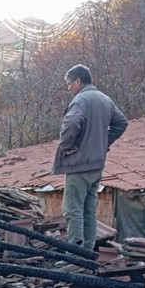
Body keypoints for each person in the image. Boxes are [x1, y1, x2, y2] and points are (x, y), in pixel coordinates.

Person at [53, 64, 129, 250]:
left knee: (73, 209)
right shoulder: (104, 99)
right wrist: (104, 144)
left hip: (79, 164)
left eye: (69, 83)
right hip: (96, 165)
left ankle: (75, 254)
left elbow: (72, 122)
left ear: (78, 81)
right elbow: (121, 123)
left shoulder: (81, 100)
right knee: (88, 209)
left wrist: (67, 146)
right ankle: (88, 251)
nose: (68, 87)